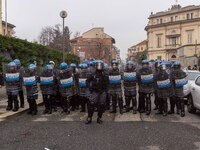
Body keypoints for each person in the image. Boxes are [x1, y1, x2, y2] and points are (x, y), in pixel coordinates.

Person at [86, 60, 108, 124]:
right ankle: (89, 117)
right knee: (91, 104)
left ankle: (99, 117)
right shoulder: (93, 74)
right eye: (98, 65)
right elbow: (87, 81)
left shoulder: (105, 74)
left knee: (102, 105)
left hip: (102, 91)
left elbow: (107, 83)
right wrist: (90, 88)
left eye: (100, 65)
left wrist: (106, 90)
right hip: (94, 91)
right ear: (96, 66)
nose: (99, 67)